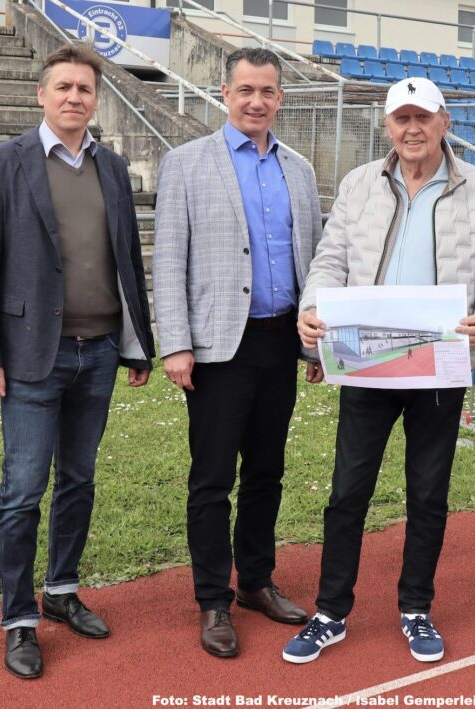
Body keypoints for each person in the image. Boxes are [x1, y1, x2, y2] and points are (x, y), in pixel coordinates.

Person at [282, 77, 475, 665]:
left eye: (423, 118)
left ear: (444, 121)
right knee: (346, 494)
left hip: (439, 366)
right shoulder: (362, 183)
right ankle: (331, 612)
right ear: (387, 126)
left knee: (427, 494)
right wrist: (312, 308)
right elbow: (329, 259)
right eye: (401, 119)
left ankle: (416, 608)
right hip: (367, 364)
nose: (412, 129)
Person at [0, 43, 155, 679]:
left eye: (85, 89)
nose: (75, 97)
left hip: (98, 353)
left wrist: (137, 345)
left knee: (79, 480)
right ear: (41, 95)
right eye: (64, 87)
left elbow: (127, 260)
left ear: (97, 100)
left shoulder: (112, 165)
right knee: (22, 491)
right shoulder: (2, 162)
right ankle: (19, 620)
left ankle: (62, 590)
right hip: (28, 361)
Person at [153, 47, 323, 658]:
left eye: (268, 91)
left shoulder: (298, 170)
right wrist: (175, 343)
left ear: (281, 97)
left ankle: (254, 581)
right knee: (212, 478)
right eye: (246, 89)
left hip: (281, 341)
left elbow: (318, 260)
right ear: (225, 92)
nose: (257, 101)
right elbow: (169, 260)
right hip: (219, 346)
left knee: (268, 472)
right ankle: (212, 600)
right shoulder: (186, 163)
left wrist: (316, 342)